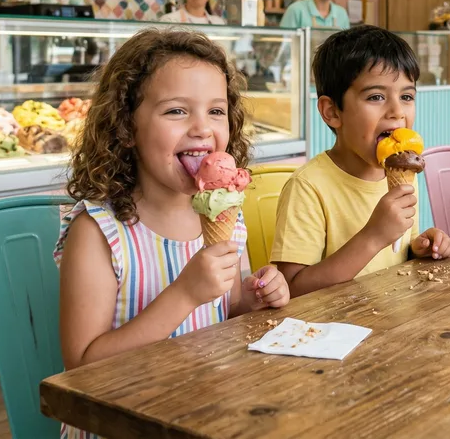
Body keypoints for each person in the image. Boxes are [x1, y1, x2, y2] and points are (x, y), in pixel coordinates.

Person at [54, 29, 290, 437]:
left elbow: (227, 311)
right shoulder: (98, 232)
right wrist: (183, 295)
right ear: (126, 127)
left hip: (205, 408)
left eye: (216, 111)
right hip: (122, 422)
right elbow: (83, 367)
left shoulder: (227, 215)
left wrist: (254, 299)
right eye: (177, 111)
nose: (202, 128)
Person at [270, 25, 450, 298]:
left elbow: (396, 256)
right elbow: (292, 289)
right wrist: (373, 237)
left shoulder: (403, 174)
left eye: (406, 96)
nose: (397, 112)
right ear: (332, 112)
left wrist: (420, 247)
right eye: (376, 97)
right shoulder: (308, 187)